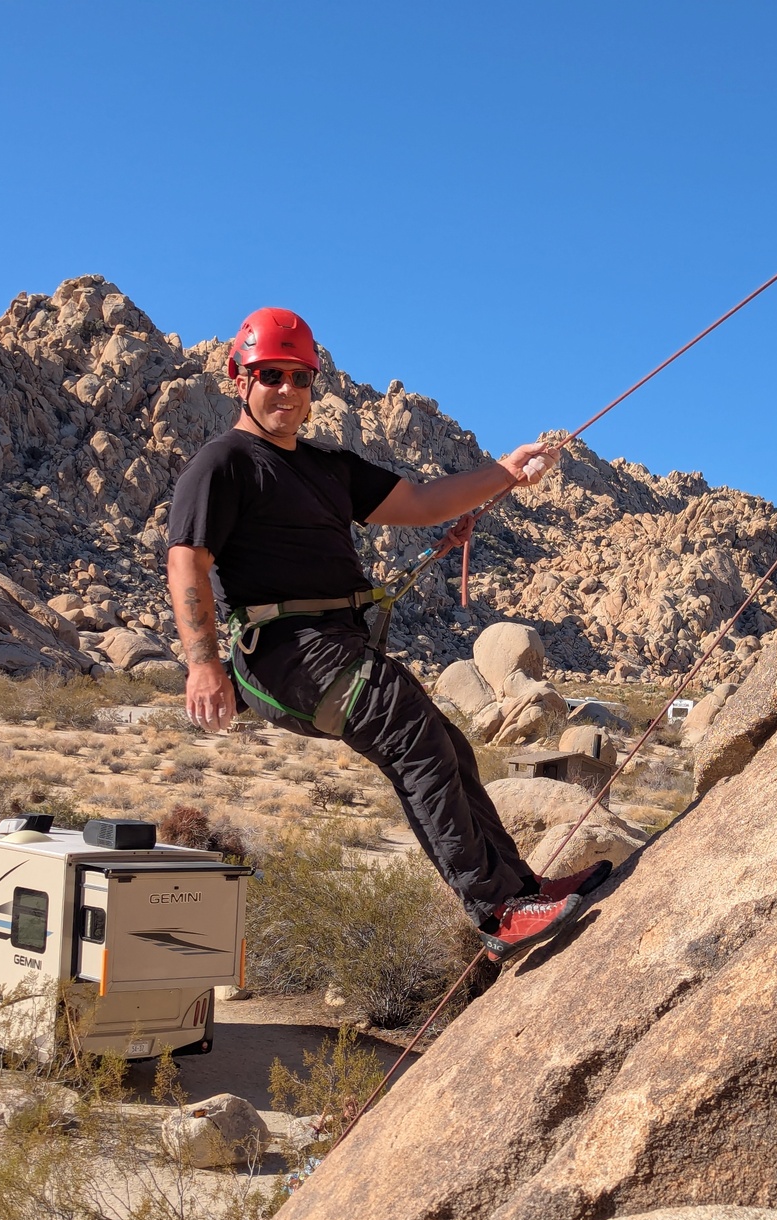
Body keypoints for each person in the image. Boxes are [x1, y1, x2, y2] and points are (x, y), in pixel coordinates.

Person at [166, 307, 610, 962]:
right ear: (239, 377)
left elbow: (426, 502)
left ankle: (520, 888)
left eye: (298, 377)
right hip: (282, 651)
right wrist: (202, 667)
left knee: (448, 747)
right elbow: (188, 561)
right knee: (411, 734)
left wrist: (507, 472)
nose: (286, 391)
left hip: (337, 643)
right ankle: (495, 909)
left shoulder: (329, 468)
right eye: (269, 376)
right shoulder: (225, 462)